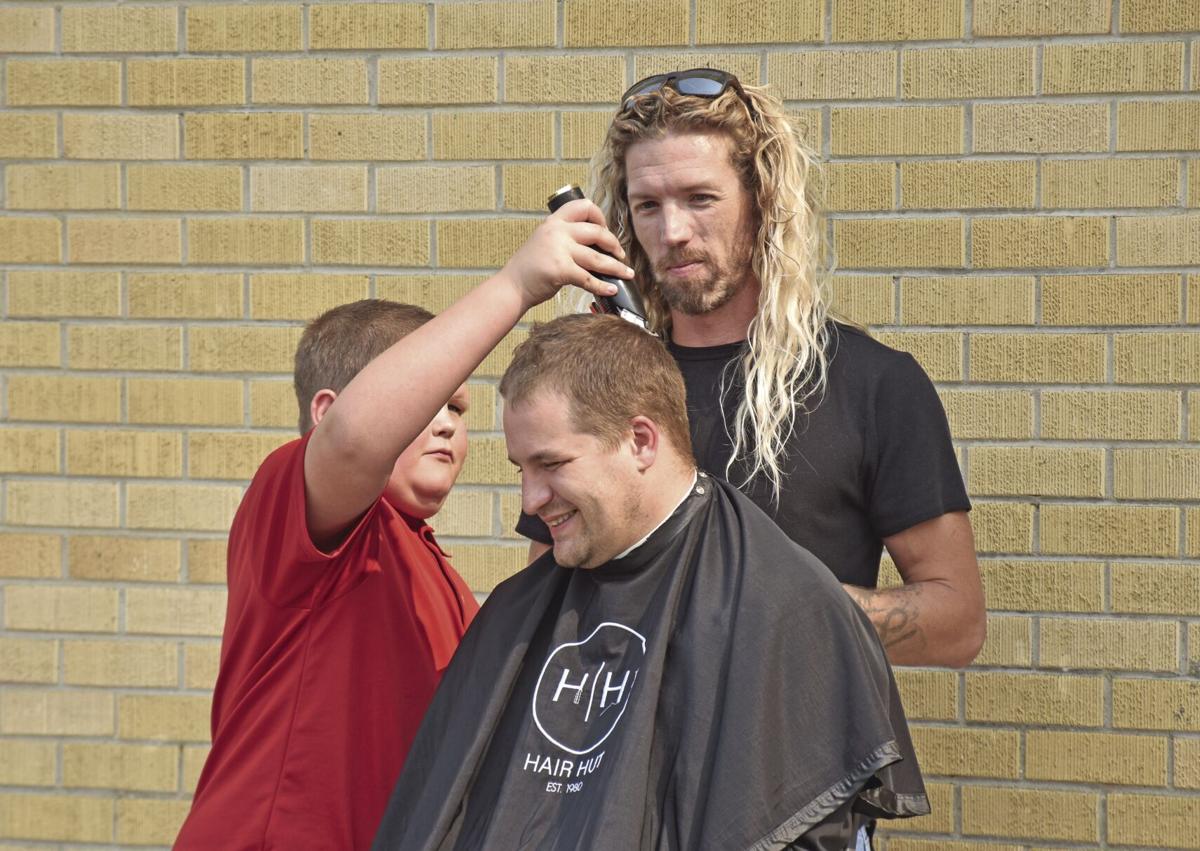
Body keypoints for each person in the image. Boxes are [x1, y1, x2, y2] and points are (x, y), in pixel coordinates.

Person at [173, 201, 635, 849]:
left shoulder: (439, 580)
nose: (448, 420)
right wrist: (517, 285)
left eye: (458, 406)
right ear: (326, 413)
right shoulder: (295, 505)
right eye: (430, 401)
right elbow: (357, 441)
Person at [373, 314, 929, 851]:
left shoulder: (788, 606)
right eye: (523, 469)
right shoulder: (518, 610)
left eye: (551, 464)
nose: (530, 501)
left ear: (641, 440)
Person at [518, 68, 986, 668]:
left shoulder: (873, 386)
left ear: (760, 201)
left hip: (795, 751)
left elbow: (958, 624)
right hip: (626, 752)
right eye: (648, 206)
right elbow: (543, 612)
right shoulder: (599, 391)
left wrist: (766, 609)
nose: (674, 232)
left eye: (700, 198)